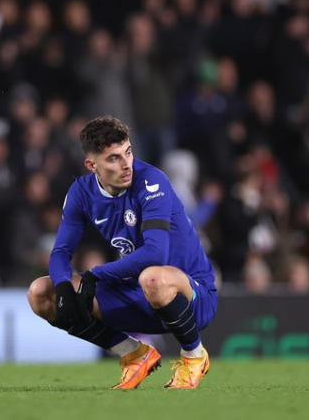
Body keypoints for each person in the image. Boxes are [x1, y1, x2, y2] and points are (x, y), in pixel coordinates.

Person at [26, 116, 218, 390]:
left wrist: (96, 275)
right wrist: (64, 287)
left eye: (127, 152)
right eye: (113, 158)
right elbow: (60, 252)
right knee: (41, 293)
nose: (126, 163)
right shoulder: (81, 193)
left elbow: (155, 253)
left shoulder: (151, 181)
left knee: (153, 278)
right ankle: (134, 354)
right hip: (135, 293)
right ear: (92, 166)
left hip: (191, 294)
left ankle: (194, 356)